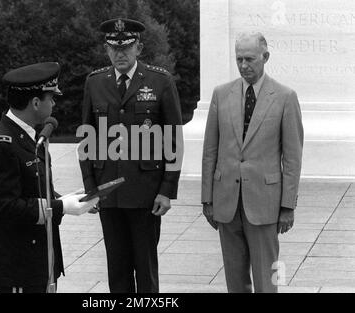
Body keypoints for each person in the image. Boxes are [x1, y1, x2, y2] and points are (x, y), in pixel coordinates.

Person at [79, 18, 183, 293]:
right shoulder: (95, 82)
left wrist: (167, 190)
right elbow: (87, 140)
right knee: (117, 269)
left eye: (126, 47)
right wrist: (91, 190)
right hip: (108, 191)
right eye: (114, 48)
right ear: (106, 49)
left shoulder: (160, 81)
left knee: (145, 269)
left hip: (145, 192)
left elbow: (173, 140)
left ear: (139, 47)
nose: (120, 53)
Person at [0, 62, 99, 293]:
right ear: (35, 103)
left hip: (37, 260)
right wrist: (60, 207)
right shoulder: (1, 145)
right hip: (16, 266)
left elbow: (31, 187)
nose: (53, 103)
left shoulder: (32, 136)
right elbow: (6, 207)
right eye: (50, 98)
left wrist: (68, 199)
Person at [201, 32, 304, 293]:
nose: (244, 65)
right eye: (239, 59)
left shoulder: (285, 97)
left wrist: (287, 206)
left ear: (265, 57)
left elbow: (292, 158)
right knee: (234, 279)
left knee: (268, 276)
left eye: (249, 59)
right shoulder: (220, 94)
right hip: (226, 202)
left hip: (265, 203)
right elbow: (210, 150)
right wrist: (207, 199)